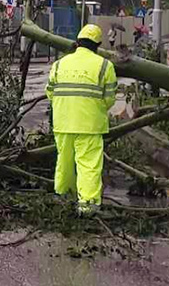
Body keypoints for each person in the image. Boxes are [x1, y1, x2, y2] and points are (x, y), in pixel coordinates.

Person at [46, 24, 118, 213]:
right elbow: (109, 98)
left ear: (77, 42)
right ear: (97, 45)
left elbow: (50, 92)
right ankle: (87, 205)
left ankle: (63, 197)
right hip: (90, 124)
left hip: (63, 122)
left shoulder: (59, 64)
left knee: (64, 162)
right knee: (89, 165)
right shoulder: (105, 66)